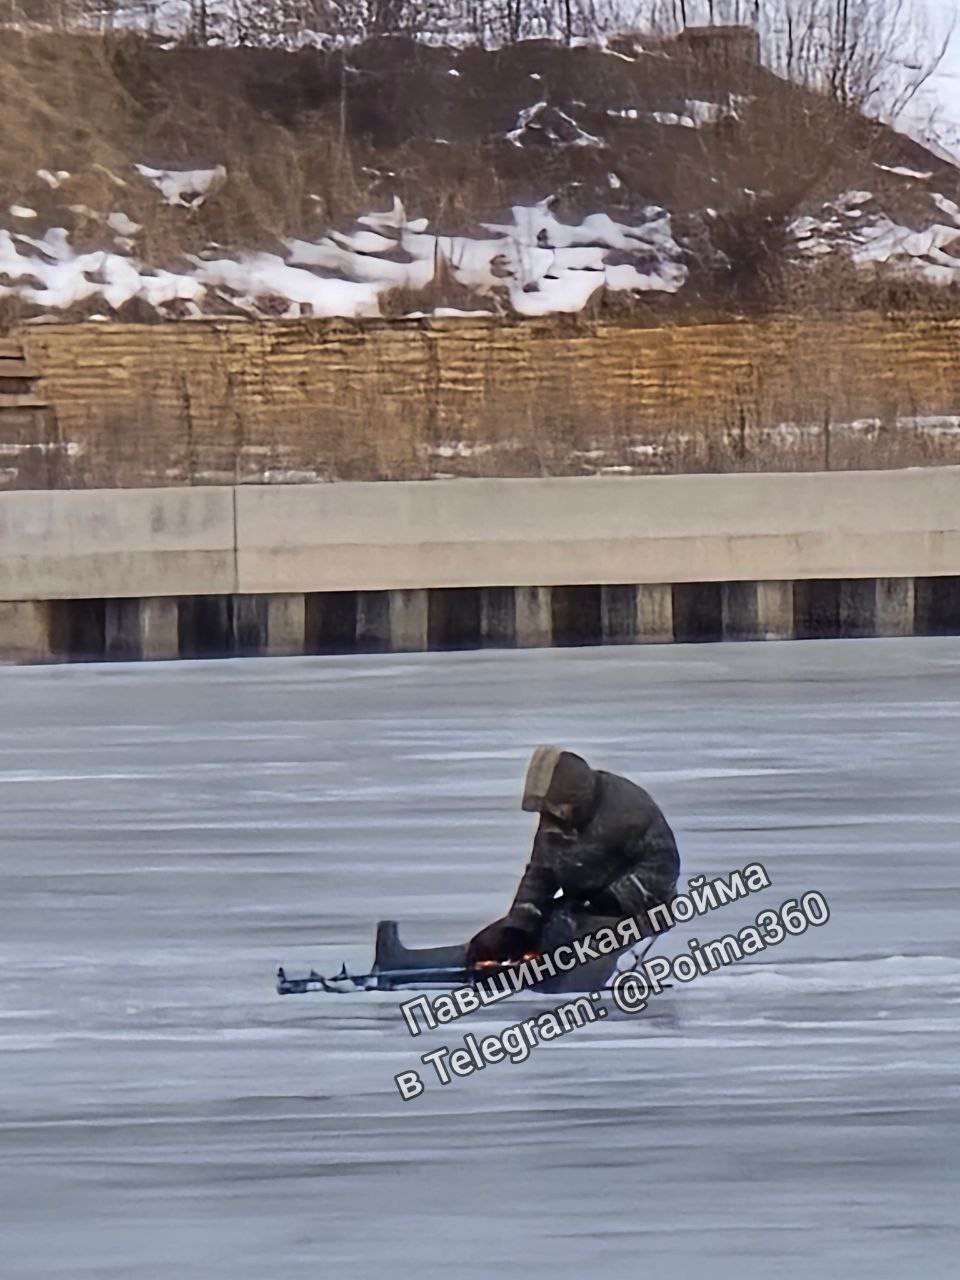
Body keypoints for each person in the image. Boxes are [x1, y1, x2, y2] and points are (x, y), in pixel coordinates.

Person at [466, 746, 680, 967]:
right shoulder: (555, 821)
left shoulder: (630, 810)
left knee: (566, 937)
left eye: (557, 807)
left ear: (575, 797)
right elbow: (541, 873)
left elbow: (663, 867)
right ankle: (490, 960)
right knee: (493, 942)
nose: (553, 814)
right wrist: (519, 925)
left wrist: (612, 899)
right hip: (579, 905)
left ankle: (559, 970)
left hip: (638, 910)